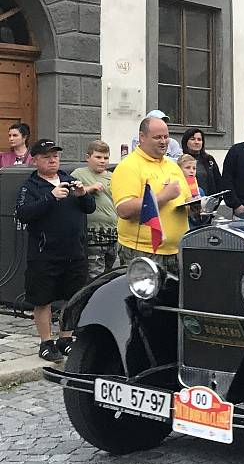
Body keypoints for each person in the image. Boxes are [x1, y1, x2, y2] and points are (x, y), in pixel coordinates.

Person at [15, 139, 95, 361]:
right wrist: (50, 197)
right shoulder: (30, 187)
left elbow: (90, 208)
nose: (53, 160)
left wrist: (82, 195)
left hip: (74, 252)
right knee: (43, 300)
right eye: (47, 157)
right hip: (44, 253)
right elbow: (23, 213)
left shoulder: (70, 180)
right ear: (36, 160)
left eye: (56, 156)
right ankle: (46, 342)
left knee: (74, 297)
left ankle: (66, 338)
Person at [111, 116, 192, 274]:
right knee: (146, 300)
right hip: (143, 252)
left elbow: (185, 200)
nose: (163, 141)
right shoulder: (128, 166)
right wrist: (163, 196)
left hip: (176, 251)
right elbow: (124, 210)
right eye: (157, 137)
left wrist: (195, 206)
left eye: (166, 137)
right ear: (142, 137)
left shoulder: (173, 166)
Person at [71, 140, 117, 280]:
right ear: (88, 157)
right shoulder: (79, 173)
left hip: (113, 233)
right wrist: (89, 189)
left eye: (106, 157)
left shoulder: (112, 176)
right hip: (93, 234)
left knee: (111, 276)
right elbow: (70, 193)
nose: (102, 161)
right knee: (96, 277)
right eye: (98, 157)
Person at [180, 127, 222, 194]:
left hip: (210, 201)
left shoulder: (209, 159)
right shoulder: (181, 160)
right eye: (192, 139)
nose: (196, 142)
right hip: (189, 200)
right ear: (186, 142)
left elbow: (218, 181)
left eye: (199, 139)